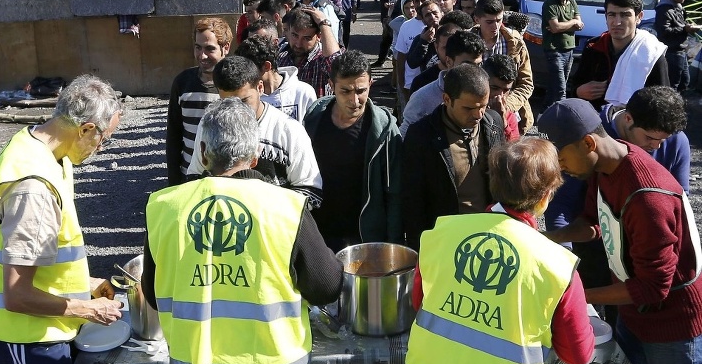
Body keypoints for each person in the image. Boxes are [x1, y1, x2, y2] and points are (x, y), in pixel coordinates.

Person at [142, 97, 343, 364]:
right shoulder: (286, 209)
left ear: (203, 154)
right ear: (255, 156)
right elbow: (327, 287)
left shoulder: (164, 207)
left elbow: (153, 295)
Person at [399, 138, 594, 364]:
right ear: (546, 196)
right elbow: (578, 354)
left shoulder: (440, 234)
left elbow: (421, 303)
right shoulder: (557, 265)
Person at [0, 75, 125, 364]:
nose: (100, 149)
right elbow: (17, 294)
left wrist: (87, 283)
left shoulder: (43, 148)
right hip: (24, 336)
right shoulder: (34, 189)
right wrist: (86, 307)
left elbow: (44, 254)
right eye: (104, 140)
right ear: (85, 129)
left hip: (37, 328)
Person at [539, 98, 702, 364]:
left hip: (672, 324)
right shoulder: (604, 166)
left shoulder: (646, 197)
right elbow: (592, 223)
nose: (560, 168)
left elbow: (654, 288)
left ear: (588, 142)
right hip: (631, 310)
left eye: (561, 159)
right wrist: (545, 237)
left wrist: (577, 296)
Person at [186, 56, 323, 206]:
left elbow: (311, 192)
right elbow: (194, 179)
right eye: (227, 102)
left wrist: (262, 209)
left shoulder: (289, 131)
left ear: (260, 88)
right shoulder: (209, 125)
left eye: (244, 101)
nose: (237, 110)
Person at [303, 50, 403, 252]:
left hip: (364, 236)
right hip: (318, 233)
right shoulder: (315, 117)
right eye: (345, 91)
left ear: (370, 85)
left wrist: (393, 246)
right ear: (331, 87)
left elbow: (395, 193)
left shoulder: (384, 129)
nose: (355, 100)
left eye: (361, 91)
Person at [400, 64, 504, 250]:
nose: (478, 114)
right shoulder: (422, 135)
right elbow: (412, 200)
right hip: (445, 240)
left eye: (483, 106)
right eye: (468, 108)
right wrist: (420, 249)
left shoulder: (493, 123)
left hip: (489, 236)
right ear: (447, 99)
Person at [571, 0, 669, 108]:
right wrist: (578, 91)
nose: (617, 22)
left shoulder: (651, 55)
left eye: (625, 15)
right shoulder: (594, 47)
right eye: (612, 15)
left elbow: (664, 104)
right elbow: (573, 86)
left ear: (639, 17)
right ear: (606, 16)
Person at [166, 17, 232, 185]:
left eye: (210, 49)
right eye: (198, 47)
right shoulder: (182, 82)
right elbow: (174, 135)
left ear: (226, 48)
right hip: (190, 175)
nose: (202, 55)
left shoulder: (235, 84)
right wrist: (174, 180)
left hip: (227, 178)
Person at [400, 29, 484, 139]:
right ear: (449, 62)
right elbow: (404, 138)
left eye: (478, 65)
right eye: (467, 65)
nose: (474, 71)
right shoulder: (422, 98)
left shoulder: (487, 93)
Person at [472, 0, 534, 132]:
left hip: (512, 116)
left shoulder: (515, 42)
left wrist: (507, 106)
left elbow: (526, 83)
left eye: (499, 20)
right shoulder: (466, 43)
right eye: (489, 22)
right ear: (477, 19)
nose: (495, 26)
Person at [236, 35, 316, 121]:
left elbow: (313, 130)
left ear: (266, 66)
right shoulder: (247, 97)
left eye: (248, 69)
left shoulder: (303, 92)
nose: (244, 75)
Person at [276, 7, 342, 98]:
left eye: (306, 38)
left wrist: (324, 23)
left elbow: (337, 66)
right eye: (295, 35)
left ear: (318, 36)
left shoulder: (321, 60)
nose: (298, 44)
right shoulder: (281, 57)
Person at [541, 0, 584, 111]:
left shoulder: (572, 2)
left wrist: (563, 26)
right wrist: (572, 23)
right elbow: (555, 27)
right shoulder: (550, 4)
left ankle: (544, 112)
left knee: (557, 85)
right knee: (561, 89)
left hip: (569, 49)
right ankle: (563, 118)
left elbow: (580, 23)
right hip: (554, 50)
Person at [655, 0, 701, 92]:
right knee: (673, 84)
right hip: (672, 51)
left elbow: (679, 24)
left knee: (684, 81)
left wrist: (688, 27)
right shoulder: (664, 9)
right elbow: (663, 31)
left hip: (681, 50)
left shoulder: (678, 7)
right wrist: (684, 29)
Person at [483, 54, 520, 141]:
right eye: (494, 88)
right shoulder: (470, 108)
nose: (499, 96)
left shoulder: (509, 116)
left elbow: (513, 150)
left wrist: (502, 121)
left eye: (506, 90)